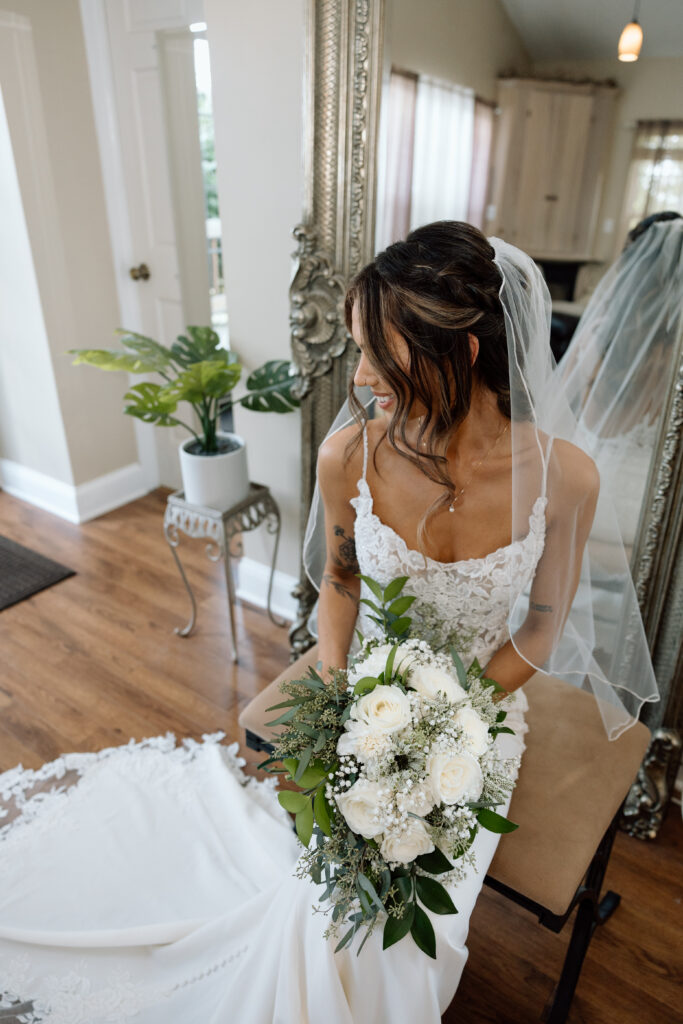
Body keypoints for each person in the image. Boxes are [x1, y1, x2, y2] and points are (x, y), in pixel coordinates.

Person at [0, 223, 658, 1024]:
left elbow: (543, 626)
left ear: (462, 352)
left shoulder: (565, 477)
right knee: (335, 903)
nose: (360, 375)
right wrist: (342, 684)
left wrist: (453, 720)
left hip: (480, 714)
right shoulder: (349, 454)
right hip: (363, 699)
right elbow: (340, 586)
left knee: (414, 931)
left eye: (379, 354)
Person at [556, 212, 683, 550]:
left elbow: (558, 418)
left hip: (580, 506)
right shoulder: (675, 360)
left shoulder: (595, 340)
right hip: (647, 523)